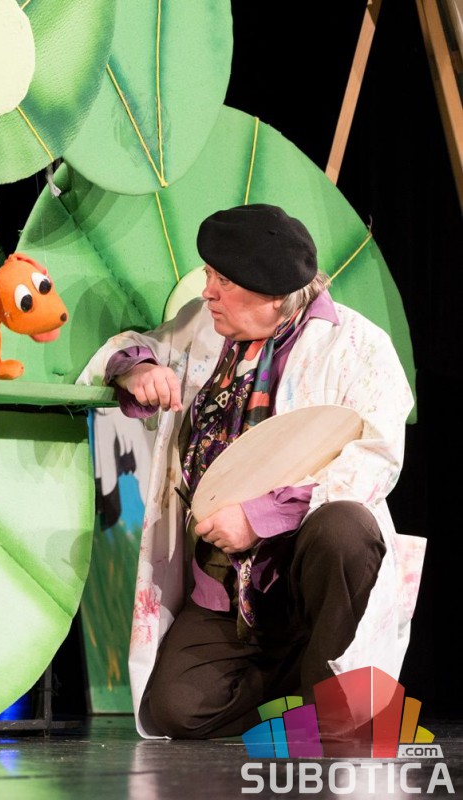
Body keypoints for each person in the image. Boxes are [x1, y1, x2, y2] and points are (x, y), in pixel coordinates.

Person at [79, 203, 423, 739]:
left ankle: (330, 702)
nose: (207, 292)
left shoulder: (357, 347)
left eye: (223, 281)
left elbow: (375, 461)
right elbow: (125, 347)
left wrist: (258, 518)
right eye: (209, 276)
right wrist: (140, 369)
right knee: (175, 710)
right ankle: (296, 689)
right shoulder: (203, 329)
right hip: (228, 578)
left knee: (346, 528)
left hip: (309, 567)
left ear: (274, 295)